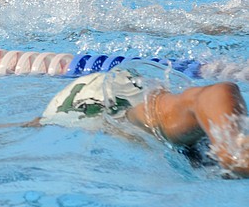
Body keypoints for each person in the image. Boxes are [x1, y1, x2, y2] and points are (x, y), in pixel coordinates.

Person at [40, 63, 249, 177]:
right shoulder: (138, 118)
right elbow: (219, 90)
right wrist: (232, 146)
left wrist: (232, 146)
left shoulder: (141, 119)